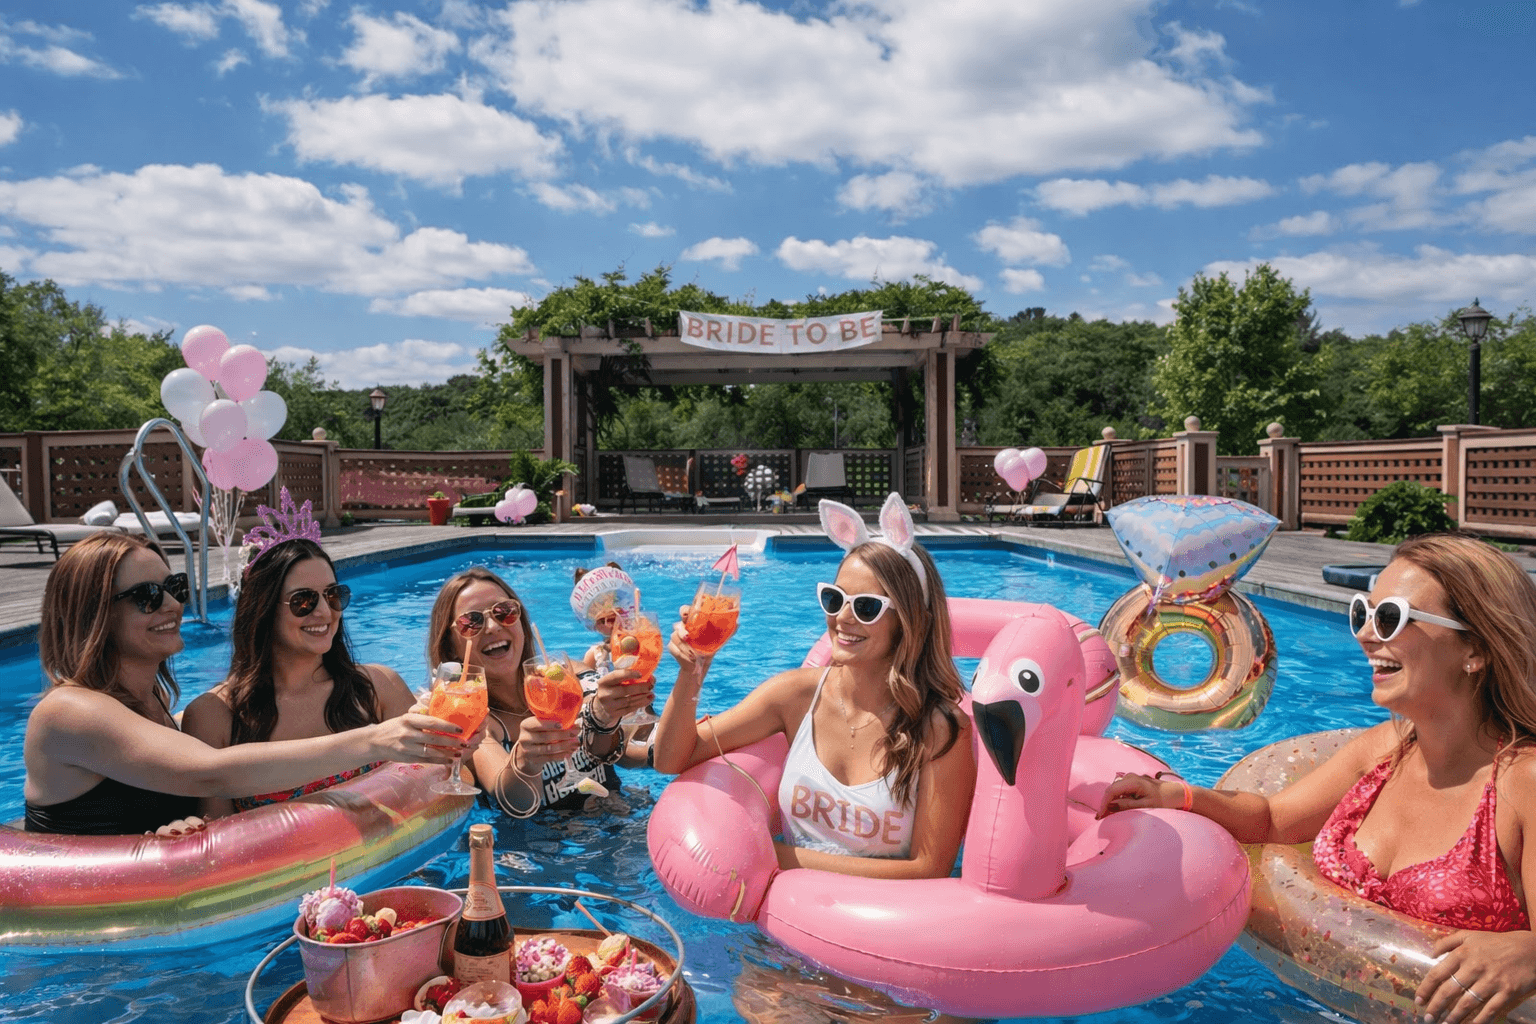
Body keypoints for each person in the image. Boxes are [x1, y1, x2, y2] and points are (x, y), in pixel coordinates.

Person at [1100, 533, 1536, 1024]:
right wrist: (1175, 795)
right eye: (1362, 614)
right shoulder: (1384, 751)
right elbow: (1272, 821)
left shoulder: (1523, 783)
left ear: (1473, 648)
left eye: (1390, 616)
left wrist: (1529, 953)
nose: (1366, 635)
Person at [23, 532, 469, 837]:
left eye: (174, 587)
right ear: (92, 613)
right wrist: (377, 740)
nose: (173, 604)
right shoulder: (70, 711)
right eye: (146, 596)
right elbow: (211, 770)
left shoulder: (154, 705)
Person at [651, 495, 976, 879]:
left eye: (866, 607)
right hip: (776, 928)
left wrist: (773, 857)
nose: (842, 618)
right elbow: (670, 759)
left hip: (878, 932)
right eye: (834, 599)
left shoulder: (940, 730)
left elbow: (929, 868)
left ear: (908, 621)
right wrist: (692, 672)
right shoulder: (794, 696)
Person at [182, 535, 420, 818]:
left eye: (333, 595)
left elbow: (433, 782)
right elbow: (217, 841)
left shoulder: (378, 688)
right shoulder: (214, 716)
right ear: (263, 609)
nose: (324, 612)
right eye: (303, 601)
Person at [424, 567, 654, 817]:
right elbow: (511, 798)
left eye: (504, 612)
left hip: (619, 819)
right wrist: (525, 761)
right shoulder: (476, 722)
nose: (492, 627)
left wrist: (608, 715)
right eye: (471, 622)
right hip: (548, 849)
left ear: (520, 622)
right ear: (451, 645)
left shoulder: (568, 676)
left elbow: (621, 751)